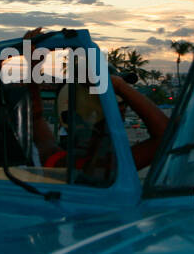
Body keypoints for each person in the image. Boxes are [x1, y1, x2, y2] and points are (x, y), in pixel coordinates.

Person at [29, 74, 169, 180]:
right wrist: (120, 86)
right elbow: (167, 136)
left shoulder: (54, 160)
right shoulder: (107, 168)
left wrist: (33, 68)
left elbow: (36, 117)